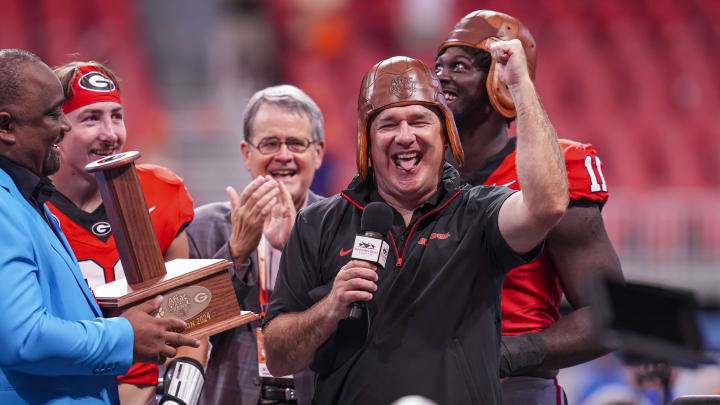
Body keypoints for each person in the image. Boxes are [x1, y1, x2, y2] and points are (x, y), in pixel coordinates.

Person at [262, 49, 569, 404]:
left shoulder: (479, 213)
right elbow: (280, 357)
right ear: (366, 140)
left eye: (420, 121)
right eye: (388, 124)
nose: (404, 136)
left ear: (444, 135)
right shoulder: (317, 223)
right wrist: (329, 308)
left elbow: (548, 205)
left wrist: (520, 87)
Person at [434, 10, 624, 404]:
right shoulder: (417, 173)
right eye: (439, 67)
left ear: (497, 81)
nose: (442, 78)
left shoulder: (554, 173)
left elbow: (609, 315)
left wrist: (505, 354)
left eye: (460, 66)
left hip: (515, 390)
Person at [0, 49, 198, 404]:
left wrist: (178, 400)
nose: (110, 134)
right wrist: (122, 337)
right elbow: (23, 336)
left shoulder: (32, 195)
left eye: (117, 116)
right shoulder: (18, 203)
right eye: (90, 118)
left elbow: (192, 320)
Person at [186, 85, 325, 405]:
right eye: (270, 143)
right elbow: (182, 326)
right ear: (247, 154)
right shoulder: (202, 228)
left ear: (318, 153)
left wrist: (298, 252)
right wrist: (235, 252)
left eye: (296, 143)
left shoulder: (342, 227)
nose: (284, 155)